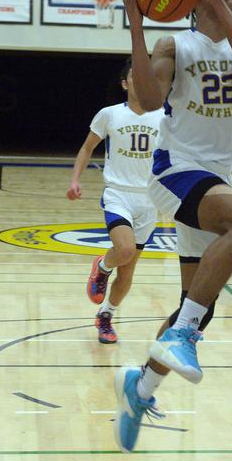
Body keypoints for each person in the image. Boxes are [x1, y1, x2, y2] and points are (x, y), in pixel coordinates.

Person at [114, 0, 232, 452]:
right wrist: (136, 23)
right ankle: (181, 337)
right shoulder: (174, 46)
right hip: (176, 171)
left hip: (217, 179)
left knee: (196, 306)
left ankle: (140, 387)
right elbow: (145, 102)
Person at [68, 61, 164, 344]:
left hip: (149, 199)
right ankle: (102, 267)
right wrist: (75, 180)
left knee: (129, 270)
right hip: (118, 193)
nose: (142, 81)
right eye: (135, 76)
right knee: (124, 248)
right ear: (125, 83)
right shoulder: (109, 115)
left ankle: (106, 315)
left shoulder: (163, 118)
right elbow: (87, 148)